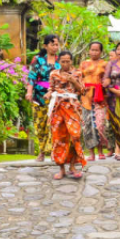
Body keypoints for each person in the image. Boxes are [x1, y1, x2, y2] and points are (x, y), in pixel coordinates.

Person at [48, 50, 86, 179]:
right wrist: (48, 94)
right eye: (63, 61)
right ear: (59, 61)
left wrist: (73, 81)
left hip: (72, 108)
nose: (65, 64)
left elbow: (82, 91)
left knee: (75, 135)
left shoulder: (77, 73)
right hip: (58, 108)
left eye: (68, 61)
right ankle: (62, 168)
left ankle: (73, 166)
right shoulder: (53, 74)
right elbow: (51, 89)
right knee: (59, 137)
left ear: (71, 61)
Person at [26, 34, 61, 162]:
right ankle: (41, 151)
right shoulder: (38, 59)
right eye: (52, 44)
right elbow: (32, 77)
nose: (55, 47)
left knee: (53, 124)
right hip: (39, 97)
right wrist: (29, 92)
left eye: (57, 44)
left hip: (56, 97)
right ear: (45, 46)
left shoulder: (60, 60)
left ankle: (53, 151)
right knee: (40, 125)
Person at [79, 41, 111, 161]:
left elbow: (108, 79)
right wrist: (81, 88)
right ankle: (92, 153)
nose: (94, 52)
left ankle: (101, 150)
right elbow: (79, 78)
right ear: (89, 50)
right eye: (92, 50)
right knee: (87, 126)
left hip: (100, 97)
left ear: (101, 52)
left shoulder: (105, 64)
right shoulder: (84, 64)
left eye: (96, 50)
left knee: (99, 125)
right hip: (86, 96)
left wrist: (105, 85)